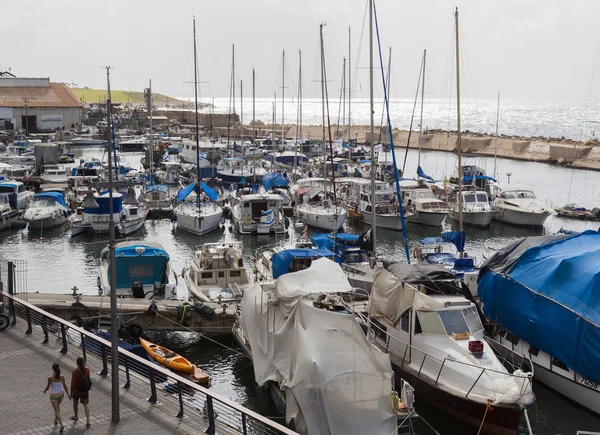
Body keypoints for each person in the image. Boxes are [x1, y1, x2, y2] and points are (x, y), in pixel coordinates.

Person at [43, 363, 69, 432]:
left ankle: (61, 425)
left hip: (54, 395)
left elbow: (48, 387)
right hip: (61, 394)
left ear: (52, 369)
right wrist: (68, 395)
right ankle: (55, 420)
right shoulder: (62, 377)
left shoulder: (50, 378)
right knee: (57, 408)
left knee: (57, 410)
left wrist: (45, 390)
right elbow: (65, 386)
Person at [70, 357, 91, 428]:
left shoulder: (75, 372)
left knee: (75, 403)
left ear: (77, 363)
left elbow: (73, 383)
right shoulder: (87, 370)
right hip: (84, 390)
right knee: (86, 405)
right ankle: (88, 421)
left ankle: (76, 416)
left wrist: (71, 393)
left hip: (77, 391)